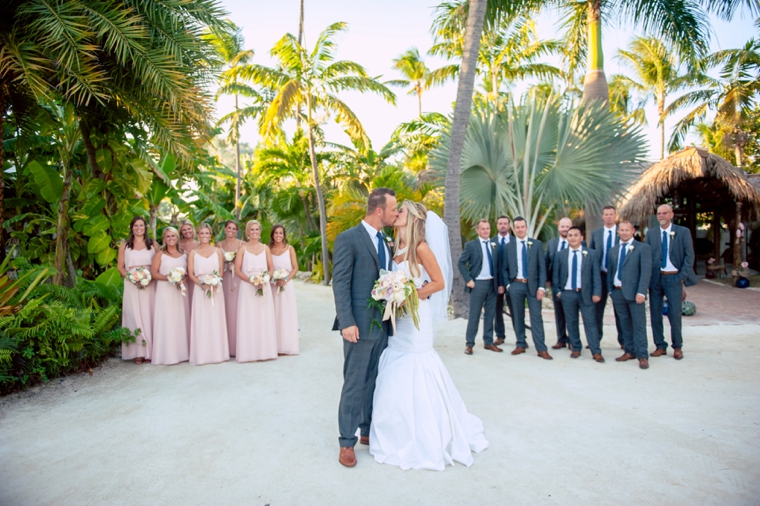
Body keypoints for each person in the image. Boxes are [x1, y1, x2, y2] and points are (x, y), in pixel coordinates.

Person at [370, 201, 488, 471]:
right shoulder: (394, 247)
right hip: (397, 320)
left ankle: (425, 433)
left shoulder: (421, 247)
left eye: (401, 211)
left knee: (417, 365)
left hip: (416, 320)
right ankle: (395, 429)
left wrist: (409, 295)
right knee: (395, 365)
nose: (397, 213)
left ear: (413, 218)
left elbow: (439, 282)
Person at [332, 187, 397, 468]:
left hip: (384, 324)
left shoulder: (387, 240)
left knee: (374, 379)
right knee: (354, 382)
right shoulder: (348, 239)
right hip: (357, 324)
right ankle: (347, 441)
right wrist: (346, 321)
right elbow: (340, 282)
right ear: (379, 210)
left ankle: (367, 429)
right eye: (394, 209)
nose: (396, 213)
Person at [645, 204, 697, 360]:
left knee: (674, 314)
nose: (661, 216)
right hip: (656, 278)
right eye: (659, 213)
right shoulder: (652, 234)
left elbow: (690, 256)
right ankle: (660, 346)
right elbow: (647, 257)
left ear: (671, 215)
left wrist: (681, 276)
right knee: (655, 313)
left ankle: (677, 347)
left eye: (664, 213)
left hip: (674, 277)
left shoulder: (683, 232)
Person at [502, 217, 552, 360]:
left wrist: (542, 287)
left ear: (526, 227)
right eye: (517, 227)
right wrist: (508, 285)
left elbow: (542, 268)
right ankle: (520, 344)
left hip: (534, 286)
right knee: (517, 316)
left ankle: (541, 348)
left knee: (536, 317)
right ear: (514, 229)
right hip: (516, 285)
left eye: (522, 227)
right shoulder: (508, 246)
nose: (519, 229)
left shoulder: (536, 244)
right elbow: (504, 268)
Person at [553, 226, 604, 362]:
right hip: (568, 294)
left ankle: (596, 351)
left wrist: (597, 292)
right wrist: (558, 293)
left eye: (576, 235)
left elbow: (596, 275)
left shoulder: (591, 254)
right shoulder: (560, 255)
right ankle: (576, 348)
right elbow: (556, 276)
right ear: (567, 237)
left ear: (581, 238)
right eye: (570, 235)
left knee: (590, 323)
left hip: (586, 294)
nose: (573, 238)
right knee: (571, 322)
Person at [608, 221, 652, 370]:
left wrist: (641, 292)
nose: (624, 232)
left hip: (635, 294)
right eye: (622, 230)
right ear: (618, 232)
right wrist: (610, 291)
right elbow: (611, 271)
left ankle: (642, 355)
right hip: (617, 292)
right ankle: (629, 351)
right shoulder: (613, 250)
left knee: (639, 324)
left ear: (633, 231)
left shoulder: (642, 248)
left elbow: (646, 272)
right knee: (624, 324)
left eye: (627, 230)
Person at [234, 220, 278, 363]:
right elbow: (237, 270)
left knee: (263, 317)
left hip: (263, 287)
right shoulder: (242, 249)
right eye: (251, 230)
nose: (254, 232)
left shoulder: (265, 248)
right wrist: (252, 281)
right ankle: (249, 353)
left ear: (259, 231)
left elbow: (271, 268)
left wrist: (265, 279)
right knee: (249, 318)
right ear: (247, 232)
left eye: (256, 229)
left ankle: (265, 351)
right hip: (248, 287)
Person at [457, 220, 502, 355]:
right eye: (482, 229)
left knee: (490, 314)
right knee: (474, 315)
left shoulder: (495, 245)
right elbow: (461, 263)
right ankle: (469, 344)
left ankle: (488, 342)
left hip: (492, 284)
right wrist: (468, 279)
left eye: (487, 228)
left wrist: (500, 284)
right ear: (477, 230)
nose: (485, 231)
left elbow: (499, 266)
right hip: (478, 284)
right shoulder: (471, 245)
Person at [187, 223, 229, 365]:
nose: (204, 236)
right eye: (201, 233)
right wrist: (202, 285)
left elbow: (221, 270)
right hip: (200, 289)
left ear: (210, 235)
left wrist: (216, 281)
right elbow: (191, 274)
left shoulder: (217, 251)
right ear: (198, 235)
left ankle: (218, 354)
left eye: (207, 233)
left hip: (216, 288)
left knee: (216, 319)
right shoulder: (193, 253)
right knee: (202, 319)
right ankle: (202, 354)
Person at [117, 216, 156, 364]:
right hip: (132, 283)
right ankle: (137, 352)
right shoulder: (125, 246)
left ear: (145, 227)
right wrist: (132, 278)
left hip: (149, 282)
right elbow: (120, 266)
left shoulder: (153, 245)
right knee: (133, 314)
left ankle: (150, 352)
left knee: (148, 314)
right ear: (132, 228)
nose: (139, 228)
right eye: (136, 225)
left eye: (141, 225)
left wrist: (148, 277)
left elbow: (158, 264)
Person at [150, 227, 189, 365]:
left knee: (180, 319)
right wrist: (170, 279)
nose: (171, 239)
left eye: (173, 236)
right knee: (167, 320)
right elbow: (154, 273)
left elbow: (188, 273)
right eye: (168, 236)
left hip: (181, 292)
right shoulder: (160, 254)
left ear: (177, 237)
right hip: (165, 291)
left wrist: (183, 280)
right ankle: (167, 355)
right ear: (164, 239)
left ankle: (183, 353)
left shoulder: (184, 254)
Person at [588, 206, 624, 349]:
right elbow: (591, 255)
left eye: (611, 214)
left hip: (617, 278)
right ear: (602, 216)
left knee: (620, 311)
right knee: (597, 311)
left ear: (615, 216)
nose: (609, 217)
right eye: (606, 214)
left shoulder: (622, 233)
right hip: (600, 277)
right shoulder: (596, 234)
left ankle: (623, 341)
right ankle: (595, 339)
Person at [270, 225, 300, 356]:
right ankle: (274, 346)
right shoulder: (268, 249)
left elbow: (295, 268)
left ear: (284, 235)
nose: (278, 235)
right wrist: (273, 278)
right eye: (276, 233)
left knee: (286, 314)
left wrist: (286, 279)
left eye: (280, 233)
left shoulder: (289, 249)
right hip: (273, 285)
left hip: (286, 286)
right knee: (274, 315)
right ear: (272, 235)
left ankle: (286, 346)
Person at [545, 217, 572, 349]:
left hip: (572, 284)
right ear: (558, 228)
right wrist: (547, 279)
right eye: (563, 226)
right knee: (559, 313)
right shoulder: (552, 243)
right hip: (556, 283)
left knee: (572, 314)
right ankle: (561, 339)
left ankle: (573, 340)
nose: (565, 229)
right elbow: (546, 262)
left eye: (568, 226)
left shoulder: (579, 243)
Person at [219, 220, 244, 356]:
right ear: (224, 229)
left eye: (234, 229)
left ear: (237, 231)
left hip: (238, 281)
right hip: (225, 280)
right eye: (229, 228)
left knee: (239, 310)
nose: (231, 230)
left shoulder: (242, 245)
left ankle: (240, 345)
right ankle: (227, 347)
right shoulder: (218, 246)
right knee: (226, 310)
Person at [493, 216, 515, 346]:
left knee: (515, 311)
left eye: (505, 223)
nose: (502, 226)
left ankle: (520, 336)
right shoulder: (491, 242)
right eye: (500, 223)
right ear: (497, 225)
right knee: (497, 310)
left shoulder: (515, 241)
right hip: (496, 283)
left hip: (512, 282)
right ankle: (500, 336)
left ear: (509, 225)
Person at [179, 219, 199, 332]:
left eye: (189, 229)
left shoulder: (199, 244)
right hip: (182, 280)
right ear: (181, 232)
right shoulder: (177, 244)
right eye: (184, 230)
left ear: (193, 229)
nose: (187, 231)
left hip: (195, 279)